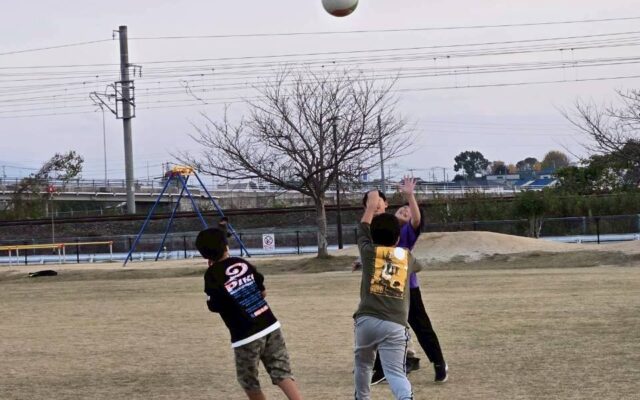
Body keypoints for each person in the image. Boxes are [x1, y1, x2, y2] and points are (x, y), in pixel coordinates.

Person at [196, 227, 302, 400]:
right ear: (226, 247)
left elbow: (214, 305)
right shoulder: (241, 262)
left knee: (248, 380)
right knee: (281, 371)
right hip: (270, 324)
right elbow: (263, 292)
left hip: (246, 334)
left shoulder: (212, 275)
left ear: (204, 256)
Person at [353, 190, 423, 400]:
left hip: (366, 320)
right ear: (398, 237)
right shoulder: (406, 257)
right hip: (395, 324)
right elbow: (418, 266)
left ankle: (362, 398)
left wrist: (370, 206)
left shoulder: (368, 253)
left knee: (363, 366)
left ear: (372, 236)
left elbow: (363, 228)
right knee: (395, 372)